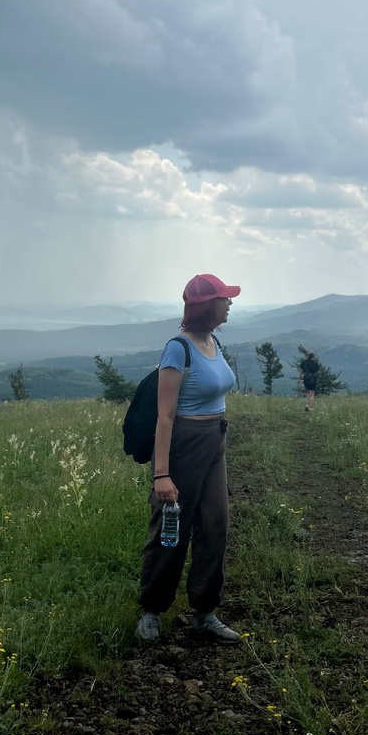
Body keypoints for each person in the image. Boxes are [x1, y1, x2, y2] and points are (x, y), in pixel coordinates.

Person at [135, 273, 242, 645]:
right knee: (171, 531)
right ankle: (151, 610)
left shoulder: (213, 340)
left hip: (215, 441)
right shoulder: (177, 349)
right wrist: (161, 474)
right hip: (183, 445)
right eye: (224, 298)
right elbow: (165, 417)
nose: (229, 303)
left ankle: (205, 613)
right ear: (206, 305)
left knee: (215, 526)